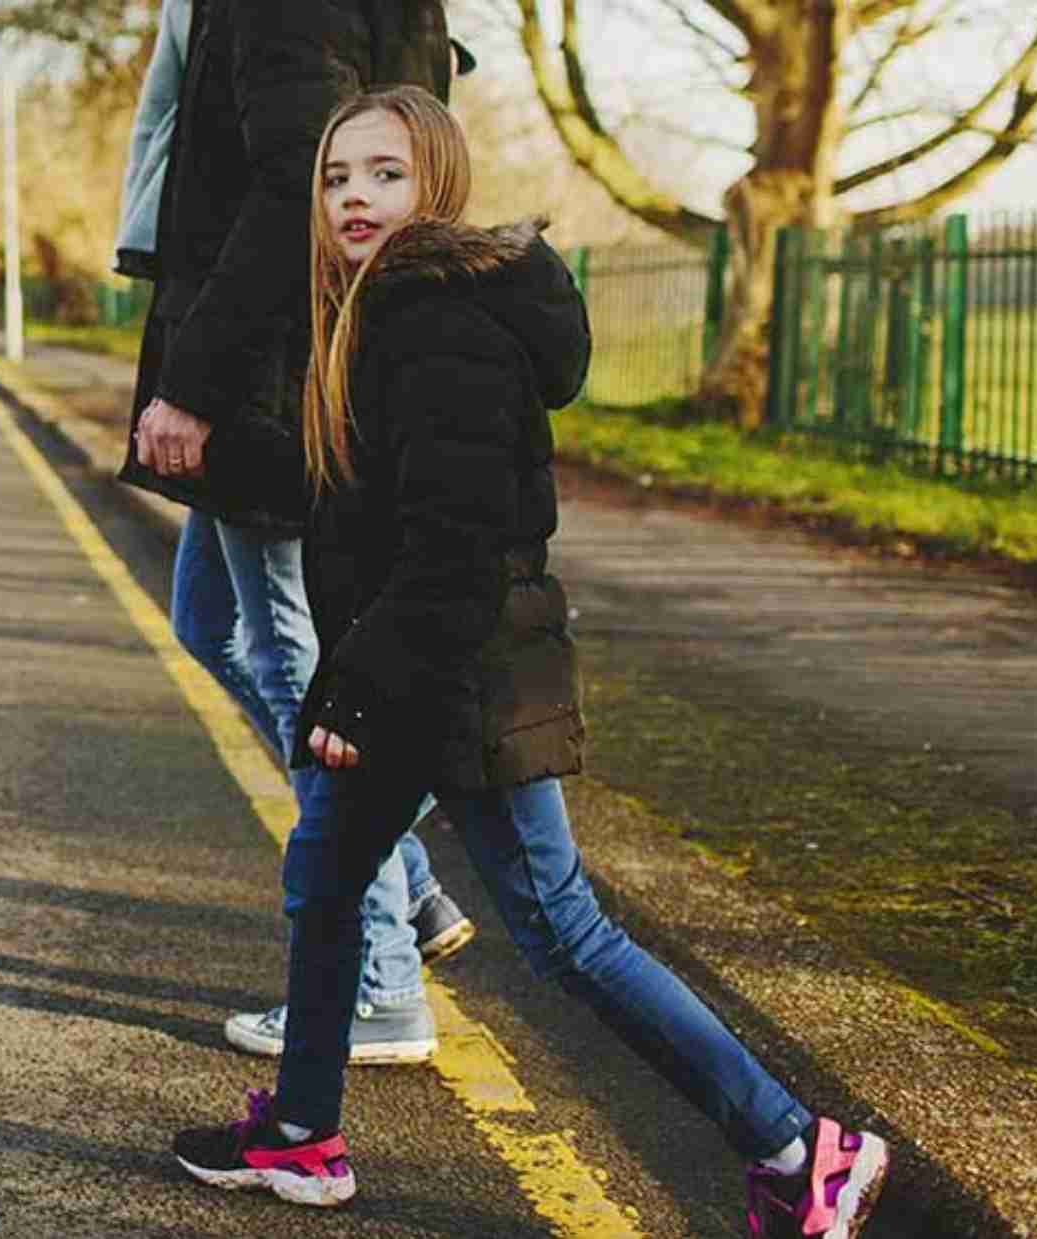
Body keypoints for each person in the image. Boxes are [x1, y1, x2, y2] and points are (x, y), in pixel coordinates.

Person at [168, 86, 893, 1238]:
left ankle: (802, 1146)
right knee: (325, 878)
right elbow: (373, 498)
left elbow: (454, 548)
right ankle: (303, 1135)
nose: (355, 196)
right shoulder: (378, 309)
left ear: (438, 183)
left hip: (460, 677)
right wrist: (224, 443)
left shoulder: (438, 318)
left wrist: (353, 686)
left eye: (385, 174)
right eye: (335, 176)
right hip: (418, 661)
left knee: (559, 929)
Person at [119, 0, 476, 1068]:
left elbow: (294, 195)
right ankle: (401, 882)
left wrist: (195, 385)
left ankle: (378, 988)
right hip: (272, 367)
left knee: (296, 672)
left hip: (264, 384)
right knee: (209, 623)